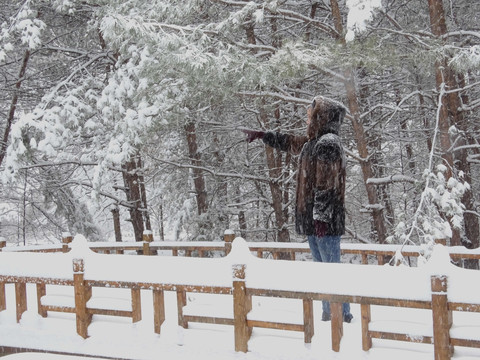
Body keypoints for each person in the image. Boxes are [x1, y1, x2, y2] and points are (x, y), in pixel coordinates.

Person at [243, 95, 353, 323]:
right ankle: (328, 315)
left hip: (325, 223)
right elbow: (290, 142)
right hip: (316, 222)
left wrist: (321, 219)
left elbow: (326, 183)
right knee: (323, 273)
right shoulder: (314, 142)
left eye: (310, 116)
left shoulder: (328, 143)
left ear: (321, 117)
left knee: (332, 273)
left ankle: (341, 317)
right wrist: (265, 136)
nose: (307, 119)